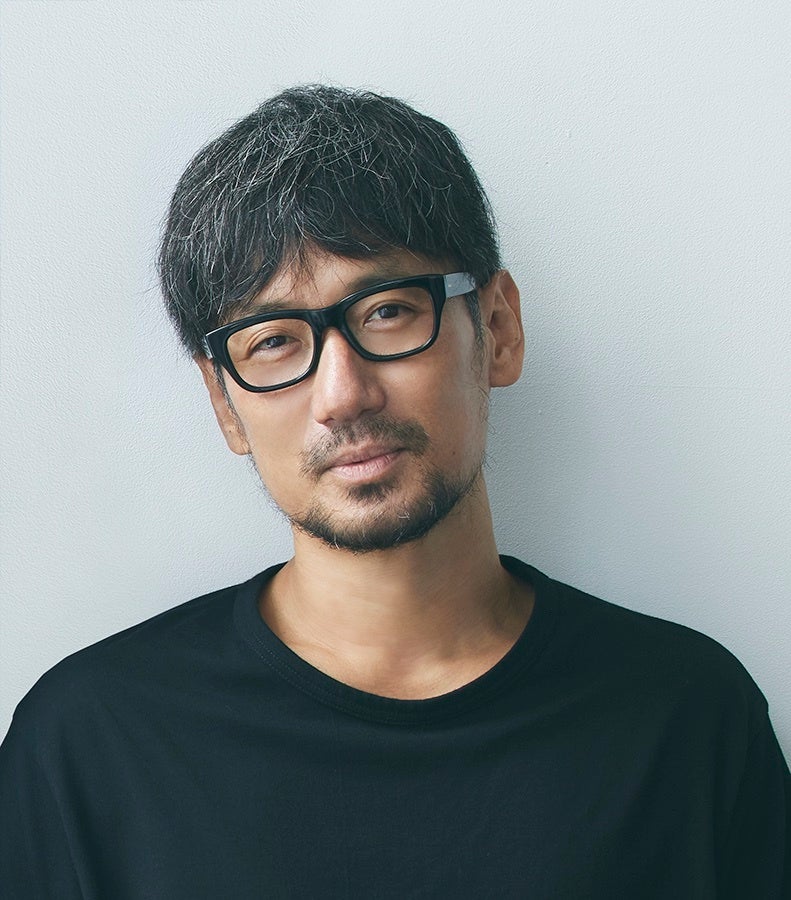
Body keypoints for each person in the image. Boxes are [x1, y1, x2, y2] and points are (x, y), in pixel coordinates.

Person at [1, 85, 788, 899]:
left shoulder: (686, 718)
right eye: (272, 341)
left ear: (498, 329)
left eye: (385, 312)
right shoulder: (90, 743)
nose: (342, 394)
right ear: (223, 402)